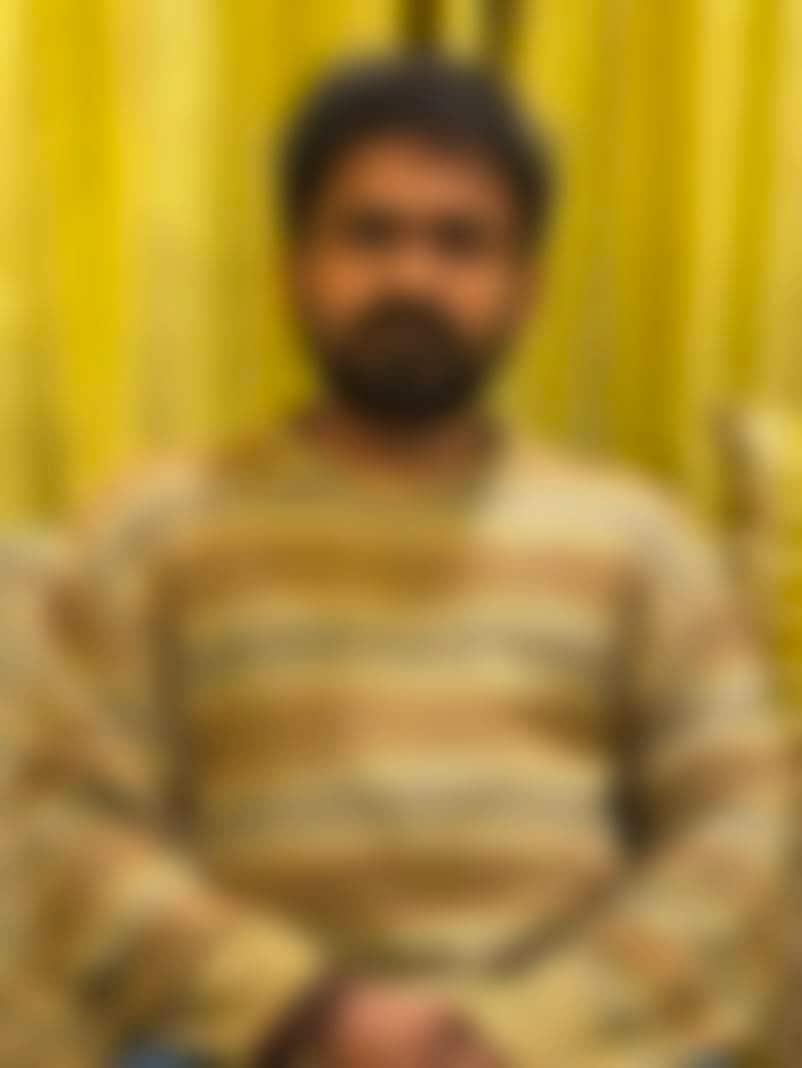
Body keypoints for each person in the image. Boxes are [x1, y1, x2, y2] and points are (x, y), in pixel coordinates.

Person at [11, 55, 789, 1068]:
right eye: (369, 234)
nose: (412, 278)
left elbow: (742, 825)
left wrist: (521, 1032)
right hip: (248, 1042)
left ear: (524, 288)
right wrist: (311, 1012)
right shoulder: (154, 528)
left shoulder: (636, 538)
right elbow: (67, 825)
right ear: (293, 270)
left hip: (570, 1047)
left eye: (459, 242)